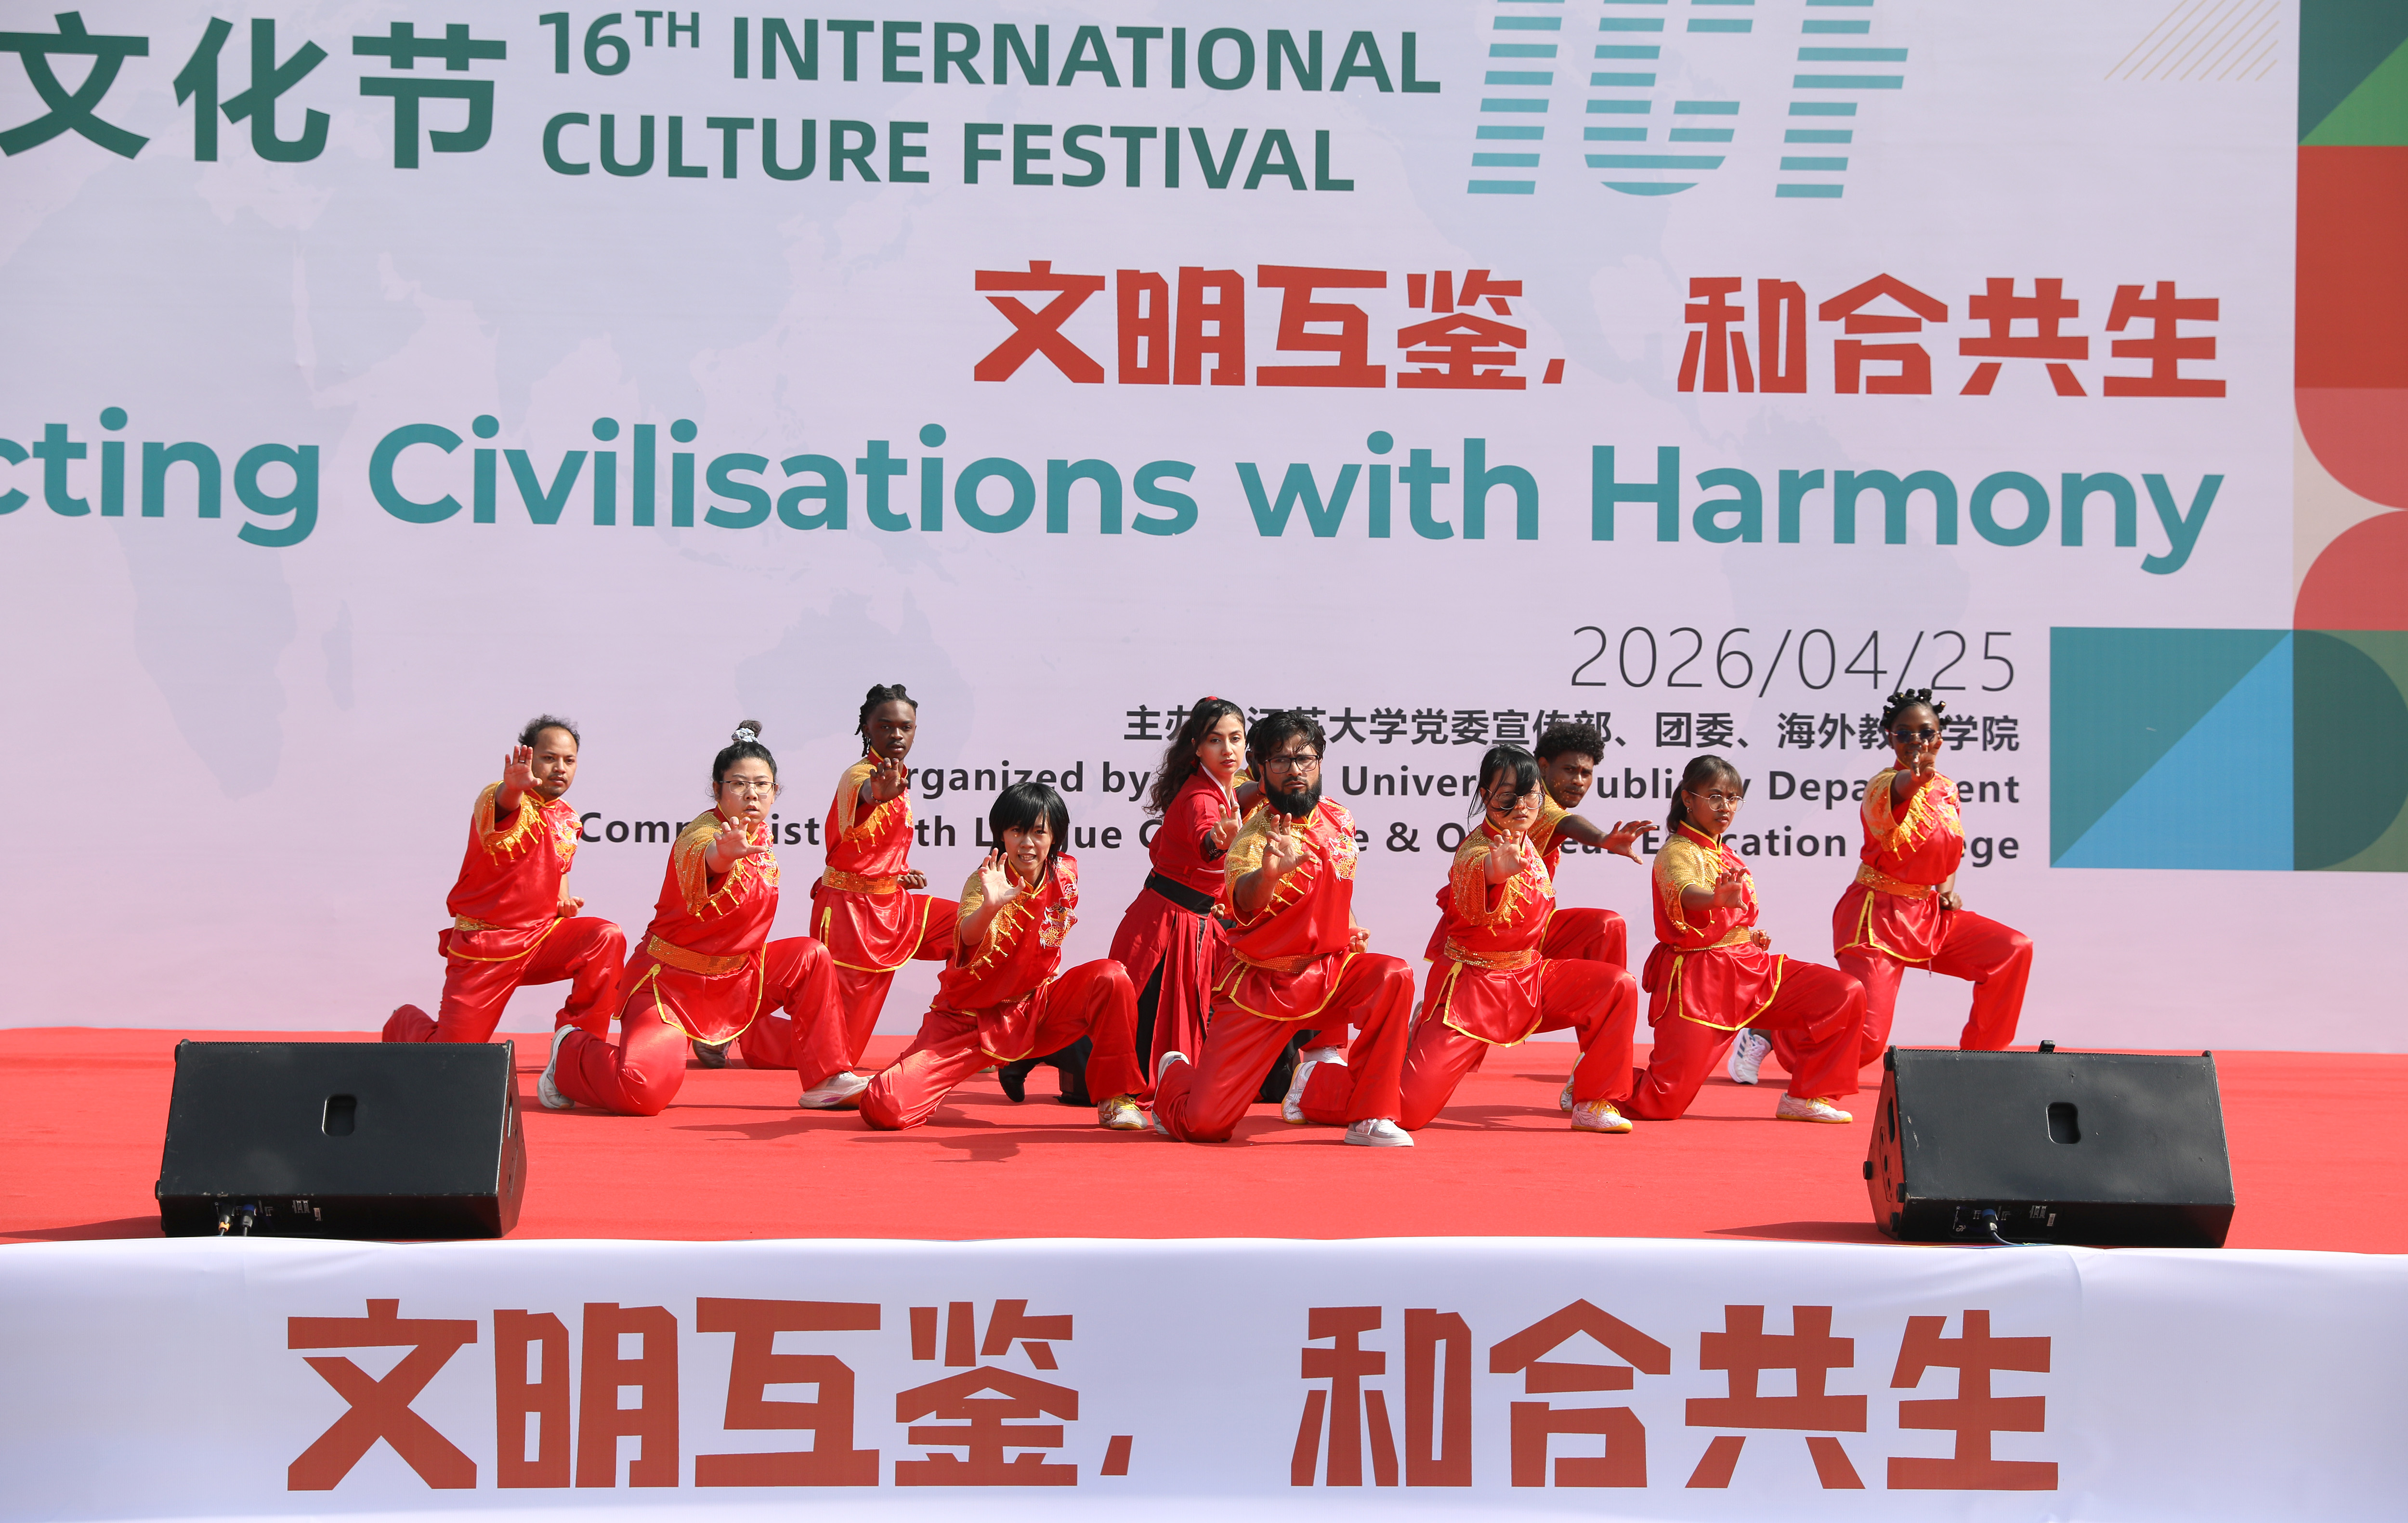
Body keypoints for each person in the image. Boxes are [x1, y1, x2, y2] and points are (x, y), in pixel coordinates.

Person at [538, 722, 846, 1117]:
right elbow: (707, 861)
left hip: (737, 978)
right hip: (672, 986)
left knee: (810, 956)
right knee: (642, 1092)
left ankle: (827, 1080)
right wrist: (722, 856)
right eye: (739, 784)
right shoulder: (701, 836)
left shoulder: (759, 836)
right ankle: (569, 1050)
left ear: (775, 791)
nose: (752, 794)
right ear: (717, 789)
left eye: (762, 785)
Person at [1732, 690, 2033, 1085]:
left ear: (1939, 738)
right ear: (1891, 738)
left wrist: (1945, 890)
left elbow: (1950, 850)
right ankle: (1775, 1033)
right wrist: (1915, 777)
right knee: (1867, 1042)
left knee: (2012, 950)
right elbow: (1903, 788)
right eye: (1904, 733)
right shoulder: (1884, 785)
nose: (1916, 741)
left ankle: (1979, 1067)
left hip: (1927, 914)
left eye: (1925, 732)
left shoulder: (1947, 789)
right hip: (1876, 919)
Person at [1152, 711, 1416, 1147]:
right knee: (1205, 1126)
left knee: (1394, 974)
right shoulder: (1253, 837)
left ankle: (1370, 1115)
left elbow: (1339, 882)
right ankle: (1175, 1076)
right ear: (1260, 769)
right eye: (1280, 760)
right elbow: (1245, 901)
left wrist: (1348, 923)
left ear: (1319, 762)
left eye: (1304, 758)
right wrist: (1270, 875)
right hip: (1263, 984)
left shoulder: (1340, 818)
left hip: (1327, 974)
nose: (1295, 769)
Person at [860, 783, 1147, 1131]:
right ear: (1002, 835)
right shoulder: (984, 882)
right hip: (968, 1020)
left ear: (1055, 837)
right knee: (884, 1106)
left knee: (1112, 977)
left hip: (1035, 1007)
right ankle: (898, 1078)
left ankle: (1116, 1099)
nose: (1027, 843)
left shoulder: (1066, 874)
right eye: (1016, 831)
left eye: (1039, 832)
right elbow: (968, 936)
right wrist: (990, 907)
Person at [1400, 747, 1642, 1133]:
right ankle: (1317, 1084)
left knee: (1617, 986)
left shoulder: (1531, 826)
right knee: (1404, 1111)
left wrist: (1602, 840)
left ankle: (1593, 1099)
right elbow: (1478, 875)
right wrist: (1495, 871)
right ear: (1485, 795)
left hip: (1529, 978)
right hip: (1474, 993)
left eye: (1531, 795)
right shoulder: (1475, 851)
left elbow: (1566, 821)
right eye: (1508, 795)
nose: (1521, 805)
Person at [1625, 755, 1867, 1123]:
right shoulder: (1676, 851)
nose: (1725, 806)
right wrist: (1714, 899)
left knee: (1844, 993)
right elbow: (1686, 894)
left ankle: (1806, 1096)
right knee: (1660, 1101)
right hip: (1701, 982)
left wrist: (1747, 932)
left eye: (1733, 798)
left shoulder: (1726, 853)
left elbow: (1729, 916)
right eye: (1715, 796)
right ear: (1688, 799)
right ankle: (1594, 1078)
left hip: (1749, 967)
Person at [383, 716, 626, 1045]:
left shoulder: (568, 816)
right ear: (530, 757)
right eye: (549, 758)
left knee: (606, 936)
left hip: (541, 939)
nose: (560, 768)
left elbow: (560, 868)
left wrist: (563, 902)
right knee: (453, 1057)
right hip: (487, 944)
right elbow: (505, 802)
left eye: (569, 761)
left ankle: (577, 1050)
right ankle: (403, 1022)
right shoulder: (500, 799)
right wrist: (512, 788)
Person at [806, 683, 959, 1108]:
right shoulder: (862, 777)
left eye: (906, 727)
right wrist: (876, 795)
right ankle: (744, 1032)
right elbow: (864, 799)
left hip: (894, 905)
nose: (897, 734)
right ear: (867, 728)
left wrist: (897, 872)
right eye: (886, 726)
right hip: (852, 918)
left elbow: (867, 844)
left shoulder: (897, 777)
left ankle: (960, 1031)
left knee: (971, 926)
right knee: (841, 1046)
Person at [1101, 698, 1249, 1091]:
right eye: (1215, 740)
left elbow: (1248, 790)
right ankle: (1121, 1089)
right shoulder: (1203, 797)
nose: (1228, 749)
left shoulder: (1226, 786)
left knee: (1160, 1019)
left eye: (1236, 738)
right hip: (1166, 927)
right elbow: (1207, 839)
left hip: (1191, 921)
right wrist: (1219, 841)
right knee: (1143, 1015)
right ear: (1197, 747)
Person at [1523, 721, 1657, 967]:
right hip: (1505, 930)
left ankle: (1607, 990)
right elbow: (1567, 822)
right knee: (1607, 926)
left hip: (1533, 922)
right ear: (1544, 767)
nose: (1578, 781)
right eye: (1570, 770)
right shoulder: (1533, 802)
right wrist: (1601, 839)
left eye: (1586, 773)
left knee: (1607, 926)